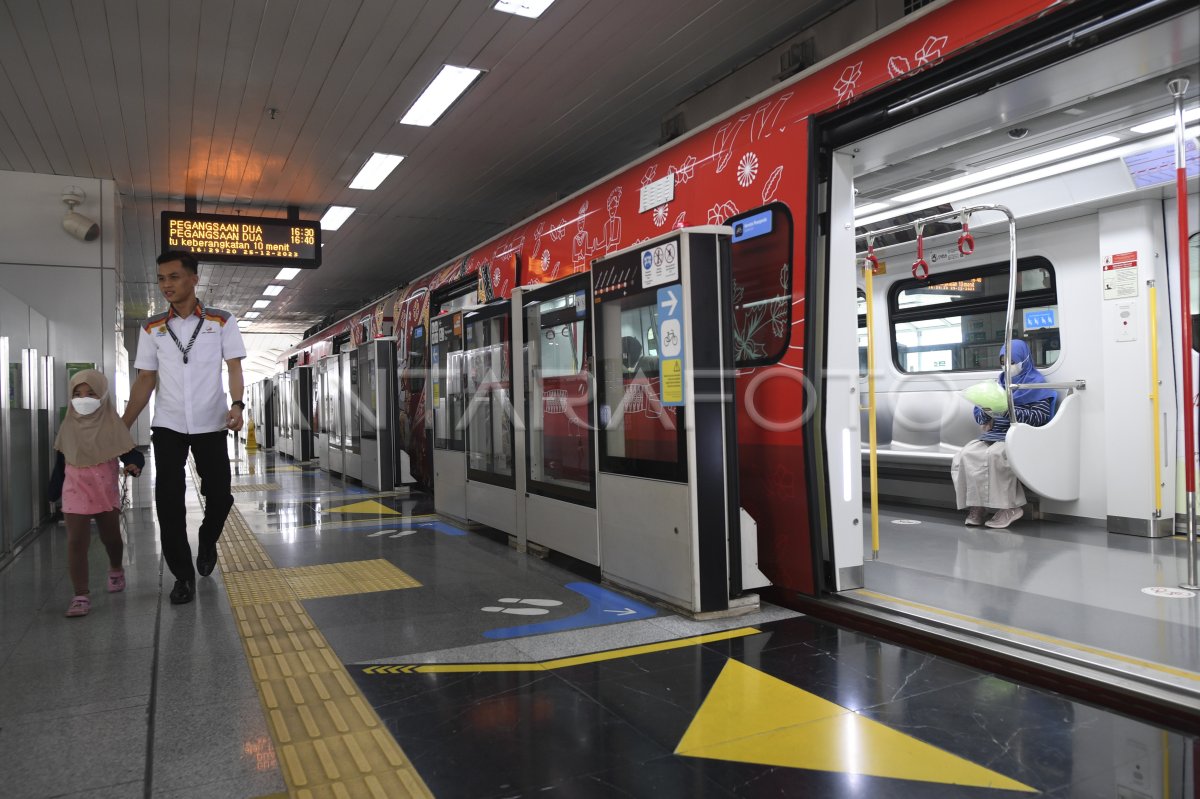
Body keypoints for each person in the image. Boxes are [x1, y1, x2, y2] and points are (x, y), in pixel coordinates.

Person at [122, 251, 247, 605]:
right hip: (169, 425)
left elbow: (234, 367)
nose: (166, 285)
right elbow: (146, 380)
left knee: (220, 495)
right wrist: (123, 426)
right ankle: (182, 576)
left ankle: (207, 539)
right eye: (161, 278)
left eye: (174, 277)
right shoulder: (152, 328)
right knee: (168, 501)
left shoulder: (222, 321)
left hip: (211, 422)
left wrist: (237, 404)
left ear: (193, 278)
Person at [49, 369, 145, 617]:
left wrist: (134, 465)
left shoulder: (112, 426)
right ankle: (80, 595)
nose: (83, 399)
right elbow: (61, 460)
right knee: (76, 542)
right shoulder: (67, 426)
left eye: (90, 393)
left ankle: (115, 568)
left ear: (102, 396)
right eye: (77, 394)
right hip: (75, 492)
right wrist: (53, 490)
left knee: (110, 538)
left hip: (104, 492)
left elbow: (130, 452)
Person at [951, 340, 1056, 529]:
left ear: (1024, 359)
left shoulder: (1035, 384)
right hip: (994, 434)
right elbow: (979, 415)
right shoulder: (998, 383)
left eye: (1011, 361)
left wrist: (1007, 412)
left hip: (1020, 436)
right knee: (966, 454)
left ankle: (1010, 507)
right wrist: (986, 412)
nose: (1007, 366)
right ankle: (978, 506)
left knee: (995, 455)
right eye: (1003, 361)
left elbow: (1039, 417)